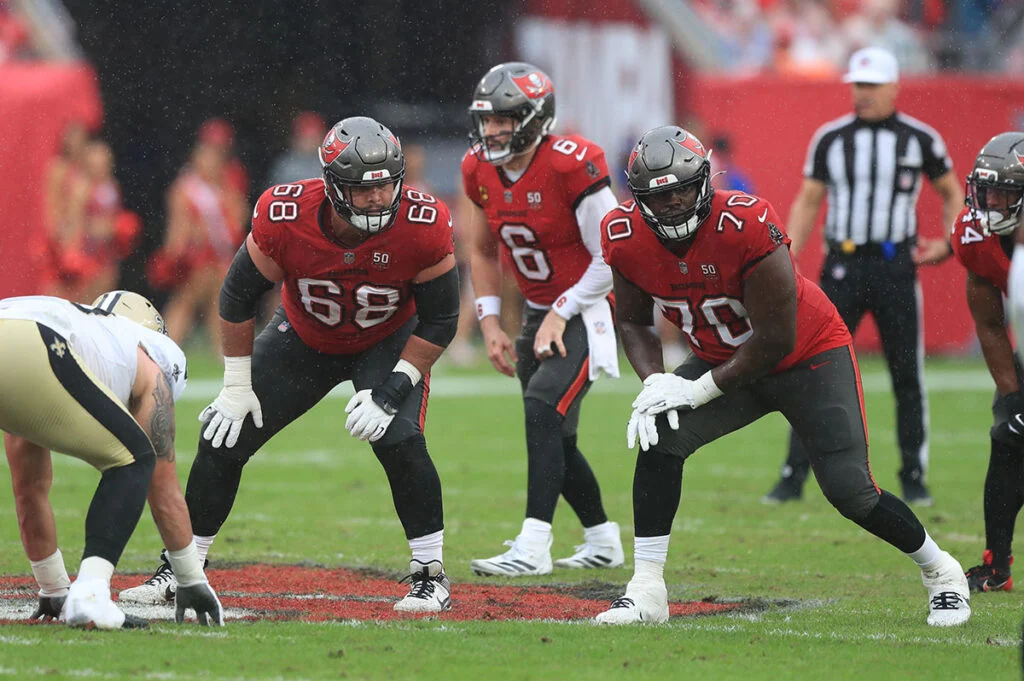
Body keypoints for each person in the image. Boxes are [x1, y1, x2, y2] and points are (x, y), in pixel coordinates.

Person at [595, 125, 970, 627]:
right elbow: (633, 321)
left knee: (850, 491)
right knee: (660, 435)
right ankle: (647, 590)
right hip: (720, 355)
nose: (673, 204)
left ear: (704, 180)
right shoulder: (623, 234)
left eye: (681, 190)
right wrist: (654, 382)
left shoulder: (746, 222)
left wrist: (696, 388)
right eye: (658, 197)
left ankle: (942, 572)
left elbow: (776, 339)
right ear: (638, 199)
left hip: (806, 356)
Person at [119, 117, 460, 613]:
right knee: (223, 437)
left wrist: (392, 391)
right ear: (332, 185)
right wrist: (236, 386)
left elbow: (442, 319)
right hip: (305, 338)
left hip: (387, 340)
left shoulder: (422, 222)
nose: (378, 198)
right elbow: (237, 296)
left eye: (386, 184)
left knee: (400, 438)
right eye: (363, 188)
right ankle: (182, 569)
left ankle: (430, 576)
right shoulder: (286, 214)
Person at [763, 46, 964, 506]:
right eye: (858, 84)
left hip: (896, 267)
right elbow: (808, 200)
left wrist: (950, 242)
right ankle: (793, 475)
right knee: (812, 370)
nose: (863, 93)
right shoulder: (831, 138)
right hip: (843, 266)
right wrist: (785, 258)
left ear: (894, 87)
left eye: (872, 85)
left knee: (906, 375)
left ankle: (913, 475)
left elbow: (952, 191)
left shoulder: (920, 139)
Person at [462, 62, 624, 576]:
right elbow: (482, 251)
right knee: (555, 434)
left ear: (534, 119)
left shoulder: (571, 165)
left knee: (541, 408)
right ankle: (602, 539)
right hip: (540, 311)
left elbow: (611, 256)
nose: (491, 131)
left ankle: (533, 546)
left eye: (503, 120)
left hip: (588, 307)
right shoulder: (478, 169)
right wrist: (490, 323)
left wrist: (560, 311)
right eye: (487, 120)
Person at [0, 291, 222, 628]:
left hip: (17, 328)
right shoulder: (146, 353)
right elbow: (162, 487)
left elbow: (28, 489)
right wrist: (191, 579)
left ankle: (64, 591)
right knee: (135, 459)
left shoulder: (81, 329)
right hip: (36, 343)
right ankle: (91, 594)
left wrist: (53, 587)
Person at [955, 132, 1024, 593]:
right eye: (987, 191)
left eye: (1005, 192)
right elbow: (990, 324)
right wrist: (1013, 395)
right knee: (1008, 435)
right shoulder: (974, 235)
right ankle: (997, 565)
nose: (992, 202)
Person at [153, 142, 247, 348]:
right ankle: (166, 345)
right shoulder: (186, 189)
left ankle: (222, 352)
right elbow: (178, 227)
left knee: (219, 304)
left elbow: (238, 220)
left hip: (219, 257)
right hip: (196, 257)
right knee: (185, 302)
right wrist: (173, 256)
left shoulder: (225, 188)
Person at [265, 111, 327, 188]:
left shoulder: (327, 164)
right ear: (295, 139)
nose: (310, 143)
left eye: (314, 138)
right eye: (305, 139)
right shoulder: (285, 166)